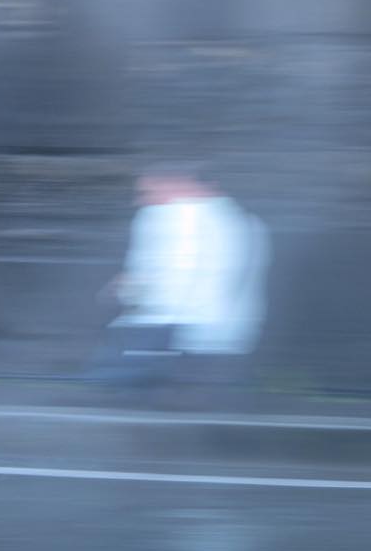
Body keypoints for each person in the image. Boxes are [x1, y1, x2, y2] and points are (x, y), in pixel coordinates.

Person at [88, 162, 270, 386]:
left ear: (176, 184)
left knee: (110, 388)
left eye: (147, 192)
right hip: (222, 335)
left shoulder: (172, 216)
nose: (140, 200)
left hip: (165, 330)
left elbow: (170, 275)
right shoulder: (245, 221)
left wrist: (123, 291)